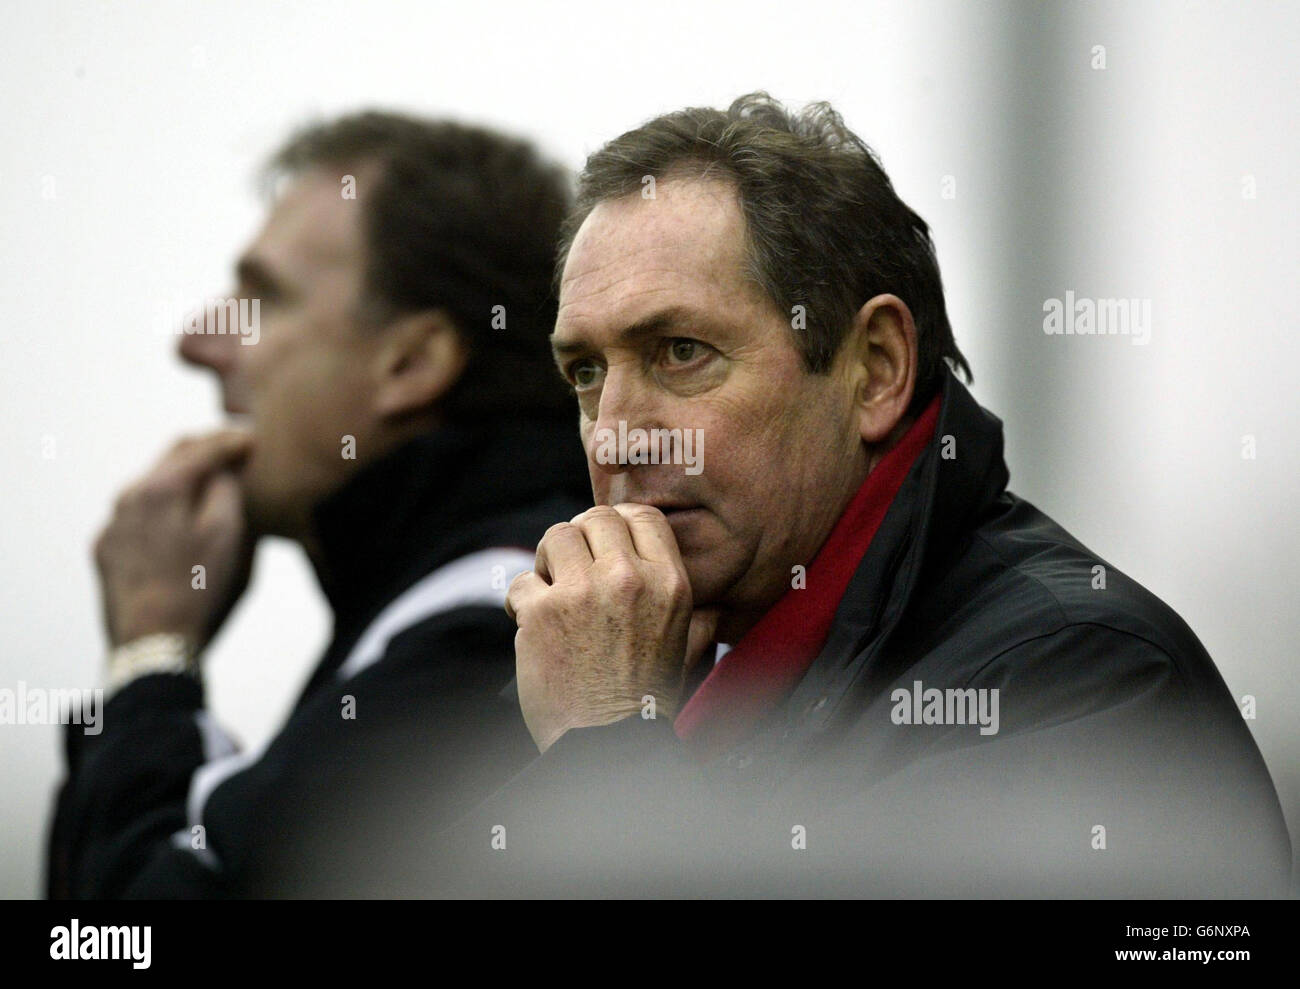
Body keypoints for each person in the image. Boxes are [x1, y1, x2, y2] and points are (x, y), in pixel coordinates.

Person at [430, 93, 1290, 897]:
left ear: (875, 368)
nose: (615, 435)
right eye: (585, 372)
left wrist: (604, 747)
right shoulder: (646, 672)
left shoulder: (1082, 682)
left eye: (681, 351)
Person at [47, 111, 590, 898]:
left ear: (411, 363)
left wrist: (149, 653)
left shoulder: (500, 632)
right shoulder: (446, 603)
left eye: (262, 298)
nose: (199, 341)